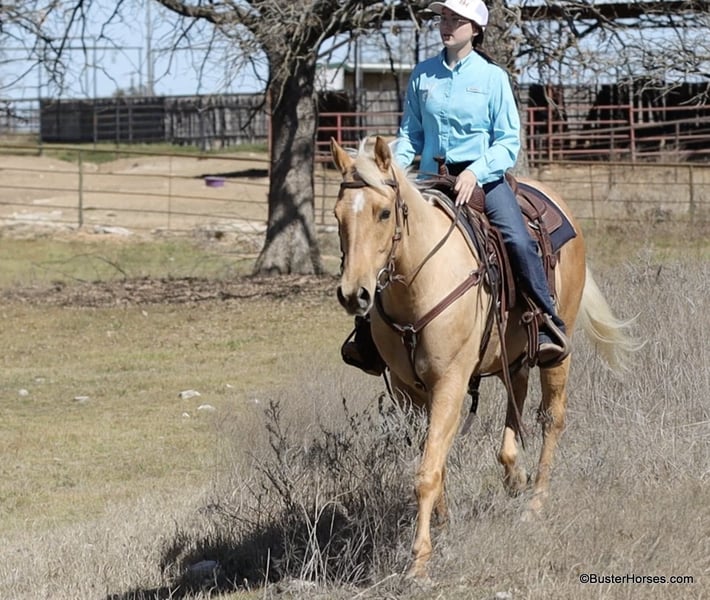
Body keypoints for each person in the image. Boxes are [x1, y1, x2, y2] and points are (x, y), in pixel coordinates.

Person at [342, 0, 568, 372]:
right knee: (386, 239)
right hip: (430, 179)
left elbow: (507, 142)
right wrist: (386, 171)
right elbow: (410, 136)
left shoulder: (493, 78)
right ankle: (369, 332)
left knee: (517, 239)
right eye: (443, 18)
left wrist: (475, 172)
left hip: (483, 181)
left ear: (476, 28)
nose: (446, 25)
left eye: (456, 19)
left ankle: (544, 321)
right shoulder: (423, 75)